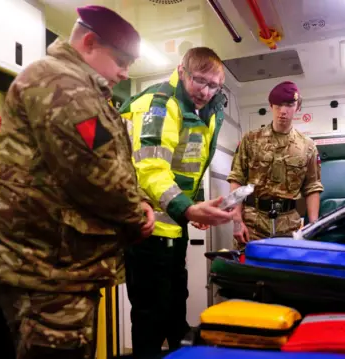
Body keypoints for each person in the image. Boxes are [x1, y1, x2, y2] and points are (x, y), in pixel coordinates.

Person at [0, 6, 154, 359]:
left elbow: (105, 163)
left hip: (57, 264)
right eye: (120, 60)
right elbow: (96, 172)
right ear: (89, 42)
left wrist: (138, 202)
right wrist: (137, 214)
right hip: (45, 268)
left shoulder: (77, 84)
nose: (124, 72)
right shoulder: (62, 84)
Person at [119, 47, 234, 356]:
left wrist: (194, 205)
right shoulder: (159, 105)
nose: (206, 92)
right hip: (146, 228)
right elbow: (151, 169)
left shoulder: (205, 111)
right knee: (149, 315)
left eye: (214, 86)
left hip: (173, 230)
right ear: (182, 71)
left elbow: (189, 165)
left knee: (174, 305)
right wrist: (186, 207)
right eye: (200, 81)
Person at [227, 81, 324, 249]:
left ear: (297, 107)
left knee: (285, 272)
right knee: (249, 272)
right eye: (278, 105)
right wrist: (236, 219)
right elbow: (237, 178)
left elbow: (312, 187)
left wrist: (313, 225)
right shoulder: (251, 140)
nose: (283, 111)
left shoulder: (307, 146)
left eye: (289, 105)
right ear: (271, 105)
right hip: (253, 223)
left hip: (289, 226)